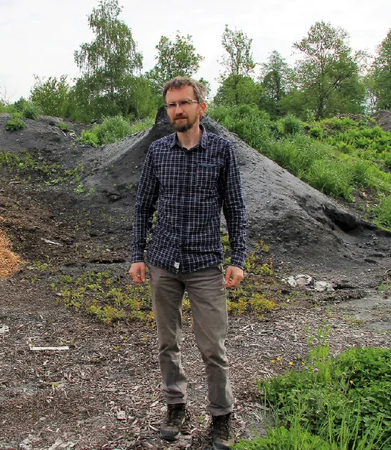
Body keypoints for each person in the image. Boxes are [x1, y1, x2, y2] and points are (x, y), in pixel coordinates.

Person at [129, 76, 247, 450]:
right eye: (171, 105)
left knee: (213, 346)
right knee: (168, 342)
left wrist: (238, 258)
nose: (177, 110)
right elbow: (143, 206)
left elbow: (236, 208)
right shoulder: (158, 152)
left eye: (184, 103)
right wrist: (137, 254)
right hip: (163, 262)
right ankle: (176, 406)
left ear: (201, 107)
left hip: (205, 264)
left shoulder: (222, 151)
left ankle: (221, 416)